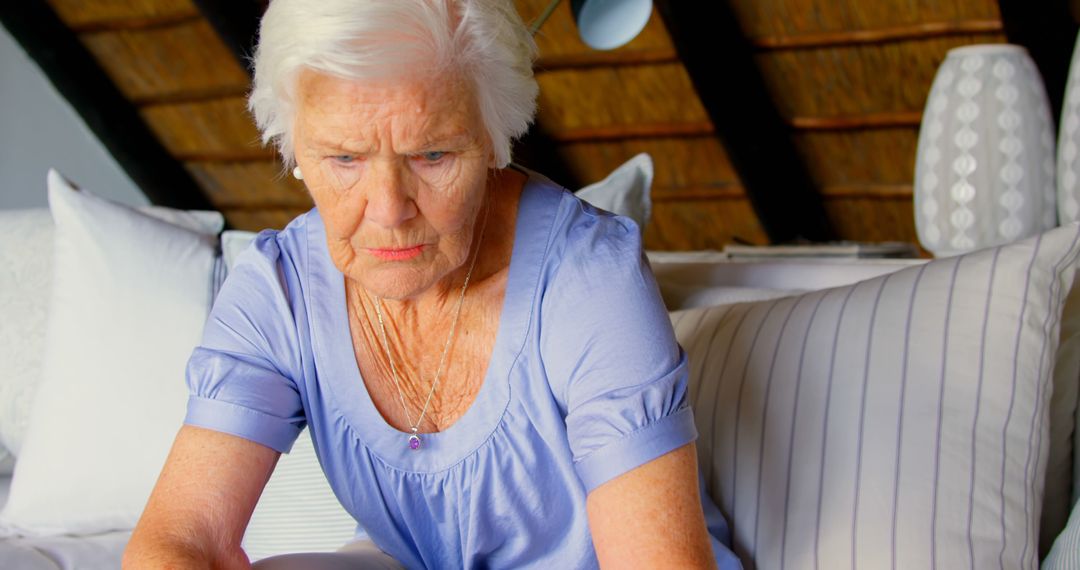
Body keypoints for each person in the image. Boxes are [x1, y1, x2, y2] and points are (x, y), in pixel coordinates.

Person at [123, 0, 741, 568]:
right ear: (294, 150)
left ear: (495, 140)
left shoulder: (588, 278)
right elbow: (181, 538)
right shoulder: (281, 286)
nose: (389, 209)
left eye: (433, 156)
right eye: (344, 159)